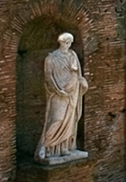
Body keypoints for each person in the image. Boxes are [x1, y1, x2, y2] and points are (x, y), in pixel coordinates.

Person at [36, 32, 90, 162]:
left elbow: (77, 74)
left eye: (70, 43)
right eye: (66, 42)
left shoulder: (73, 55)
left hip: (72, 93)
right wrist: (58, 90)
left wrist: (82, 83)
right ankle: (46, 147)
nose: (68, 45)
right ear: (61, 43)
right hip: (58, 94)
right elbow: (49, 77)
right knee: (57, 119)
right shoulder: (51, 58)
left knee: (70, 121)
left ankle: (65, 147)